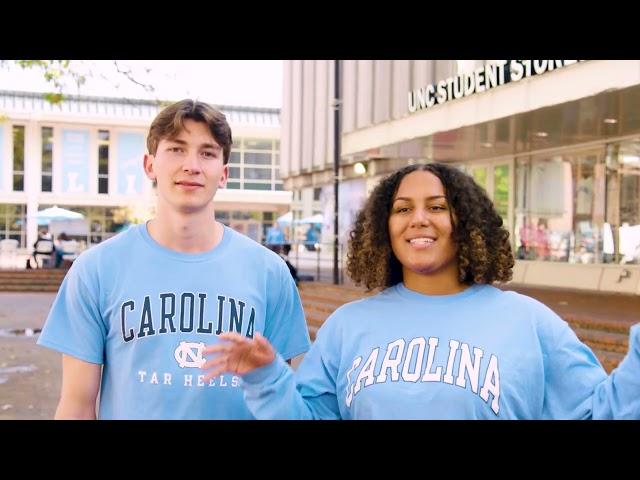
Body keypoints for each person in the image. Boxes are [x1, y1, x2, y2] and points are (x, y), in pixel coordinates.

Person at [202, 163, 640, 419]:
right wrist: (266, 377)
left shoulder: (529, 321)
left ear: (466, 222)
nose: (418, 219)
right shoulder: (348, 326)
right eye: (402, 209)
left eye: (437, 207)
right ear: (383, 228)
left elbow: (598, 411)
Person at [37, 99, 310, 419]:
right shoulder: (96, 270)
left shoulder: (270, 274)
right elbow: (77, 405)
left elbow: (281, 402)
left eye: (207, 152)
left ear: (223, 174)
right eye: (177, 149)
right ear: (149, 165)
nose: (192, 165)